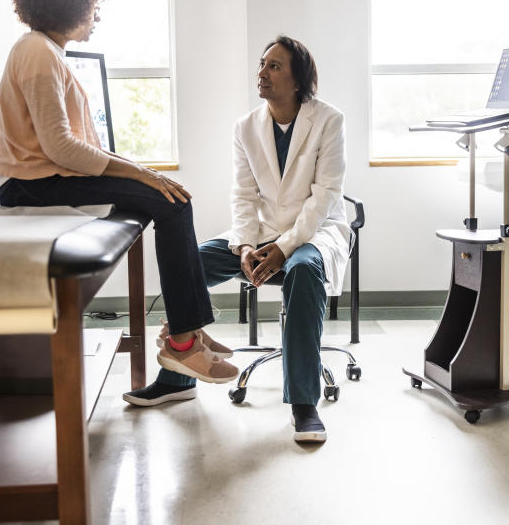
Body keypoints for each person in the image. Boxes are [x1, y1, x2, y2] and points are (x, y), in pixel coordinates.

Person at [0, 0, 237, 387]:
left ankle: (188, 332)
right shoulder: (37, 53)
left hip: (41, 177)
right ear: (68, 4)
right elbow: (61, 147)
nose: (96, 15)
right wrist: (141, 175)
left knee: (169, 195)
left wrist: (139, 172)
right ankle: (183, 342)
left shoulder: (44, 51)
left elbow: (70, 147)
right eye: (92, 5)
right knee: (170, 200)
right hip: (29, 185)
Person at [124, 35, 350, 444]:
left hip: (315, 232)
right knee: (190, 262)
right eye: (261, 65)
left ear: (298, 79)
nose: (261, 74)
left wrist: (285, 247)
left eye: (274, 66)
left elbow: (325, 196)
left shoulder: (328, 120)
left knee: (303, 271)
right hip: (260, 231)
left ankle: (304, 403)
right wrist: (245, 245)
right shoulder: (246, 127)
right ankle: (179, 373)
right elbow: (243, 194)